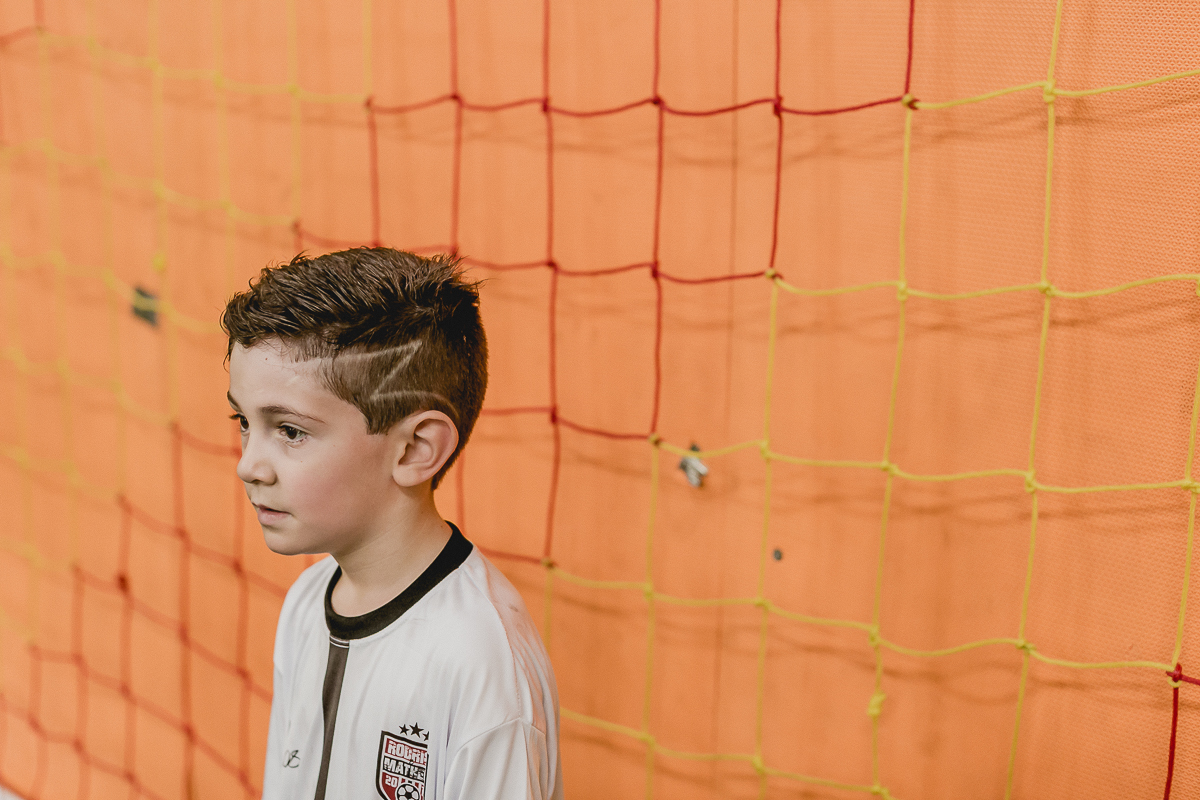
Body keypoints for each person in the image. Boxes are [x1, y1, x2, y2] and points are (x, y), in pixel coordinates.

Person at [222, 248, 562, 800]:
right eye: (243, 421)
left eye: (290, 431)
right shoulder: (306, 602)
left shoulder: (479, 661)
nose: (249, 465)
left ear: (415, 450)